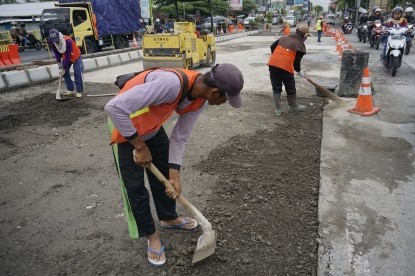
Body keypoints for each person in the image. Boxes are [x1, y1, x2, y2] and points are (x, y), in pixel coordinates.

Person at [105, 63, 244, 266]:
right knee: (135, 187)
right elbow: (114, 107)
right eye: (226, 99)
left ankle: (168, 218)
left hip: (151, 127)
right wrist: (139, 146)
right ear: (215, 92)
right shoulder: (169, 85)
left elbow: (180, 138)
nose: (225, 103)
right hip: (125, 129)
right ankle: (151, 235)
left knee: (164, 171)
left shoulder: (200, 100)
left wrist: (174, 176)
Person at [268, 25, 310, 116]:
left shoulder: (285, 37)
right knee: (290, 87)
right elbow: (296, 62)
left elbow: (272, 46)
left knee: (276, 87)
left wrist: (277, 57)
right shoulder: (300, 45)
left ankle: (278, 109)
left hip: (273, 64)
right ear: (304, 36)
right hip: (285, 66)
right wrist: (299, 71)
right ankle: (293, 107)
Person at [49, 29, 84, 98]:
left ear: (59, 36)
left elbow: (68, 55)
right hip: (66, 57)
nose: (57, 42)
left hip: (76, 55)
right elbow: (56, 52)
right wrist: (59, 64)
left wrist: (64, 68)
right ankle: (70, 89)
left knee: (77, 72)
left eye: (57, 40)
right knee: (64, 73)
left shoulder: (68, 41)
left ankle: (78, 91)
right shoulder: (52, 41)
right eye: (55, 41)